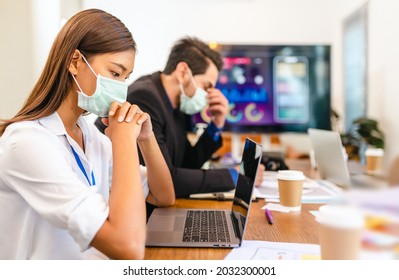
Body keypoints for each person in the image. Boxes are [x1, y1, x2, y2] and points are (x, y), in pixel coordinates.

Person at [0, 9, 174, 260]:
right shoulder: (26, 143)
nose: (120, 88)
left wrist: (145, 140)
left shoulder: (91, 137)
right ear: (74, 62)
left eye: (126, 78)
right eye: (115, 73)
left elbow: (163, 195)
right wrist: (123, 139)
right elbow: (129, 247)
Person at [95, 37, 264, 202]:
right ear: (183, 72)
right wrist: (233, 176)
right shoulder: (144, 97)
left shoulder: (175, 102)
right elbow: (167, 179)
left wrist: (216, 124)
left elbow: (186, 162)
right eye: (207, 86)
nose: (209, 95)